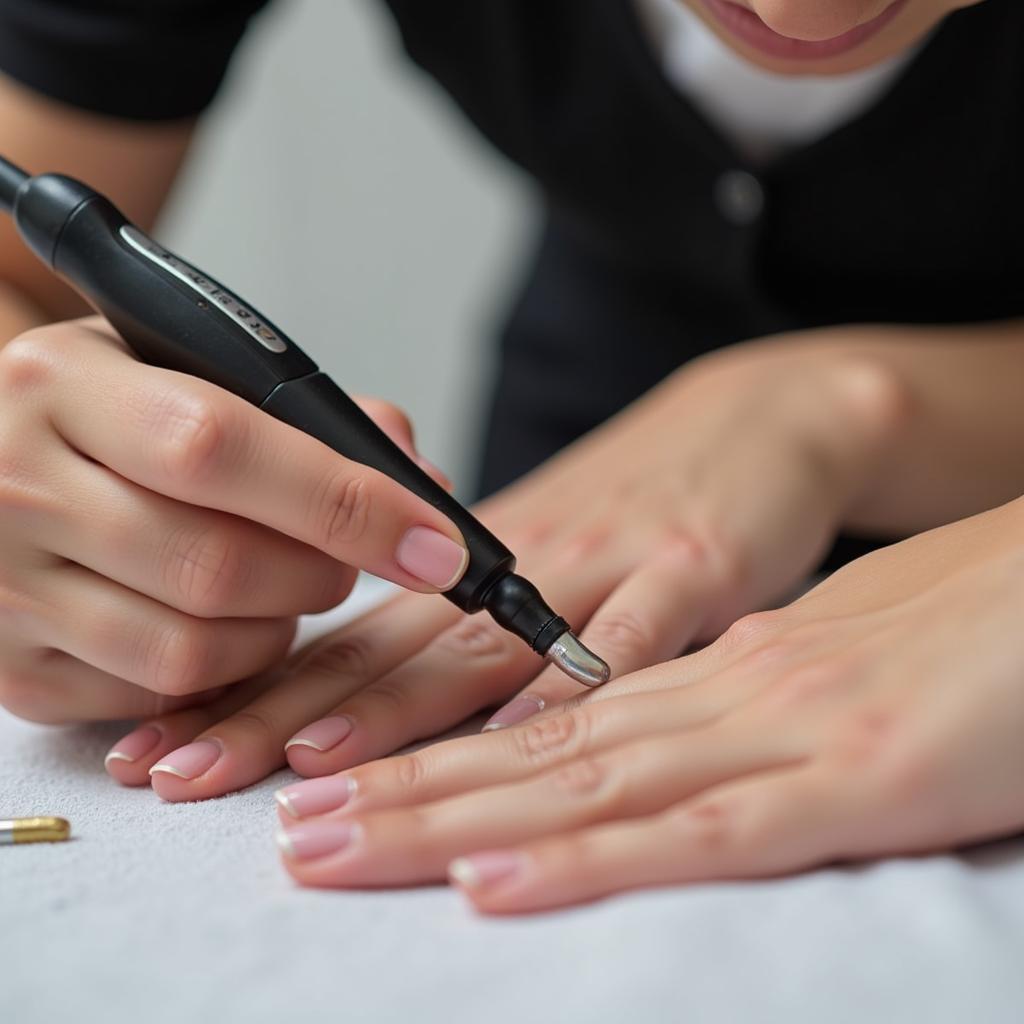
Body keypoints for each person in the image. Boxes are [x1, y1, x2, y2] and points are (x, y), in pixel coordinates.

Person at [0, 0, 1022, 911]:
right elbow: (21, 268)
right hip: (587, 459)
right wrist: (48, 459)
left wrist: (861, 412)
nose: (800, 15)